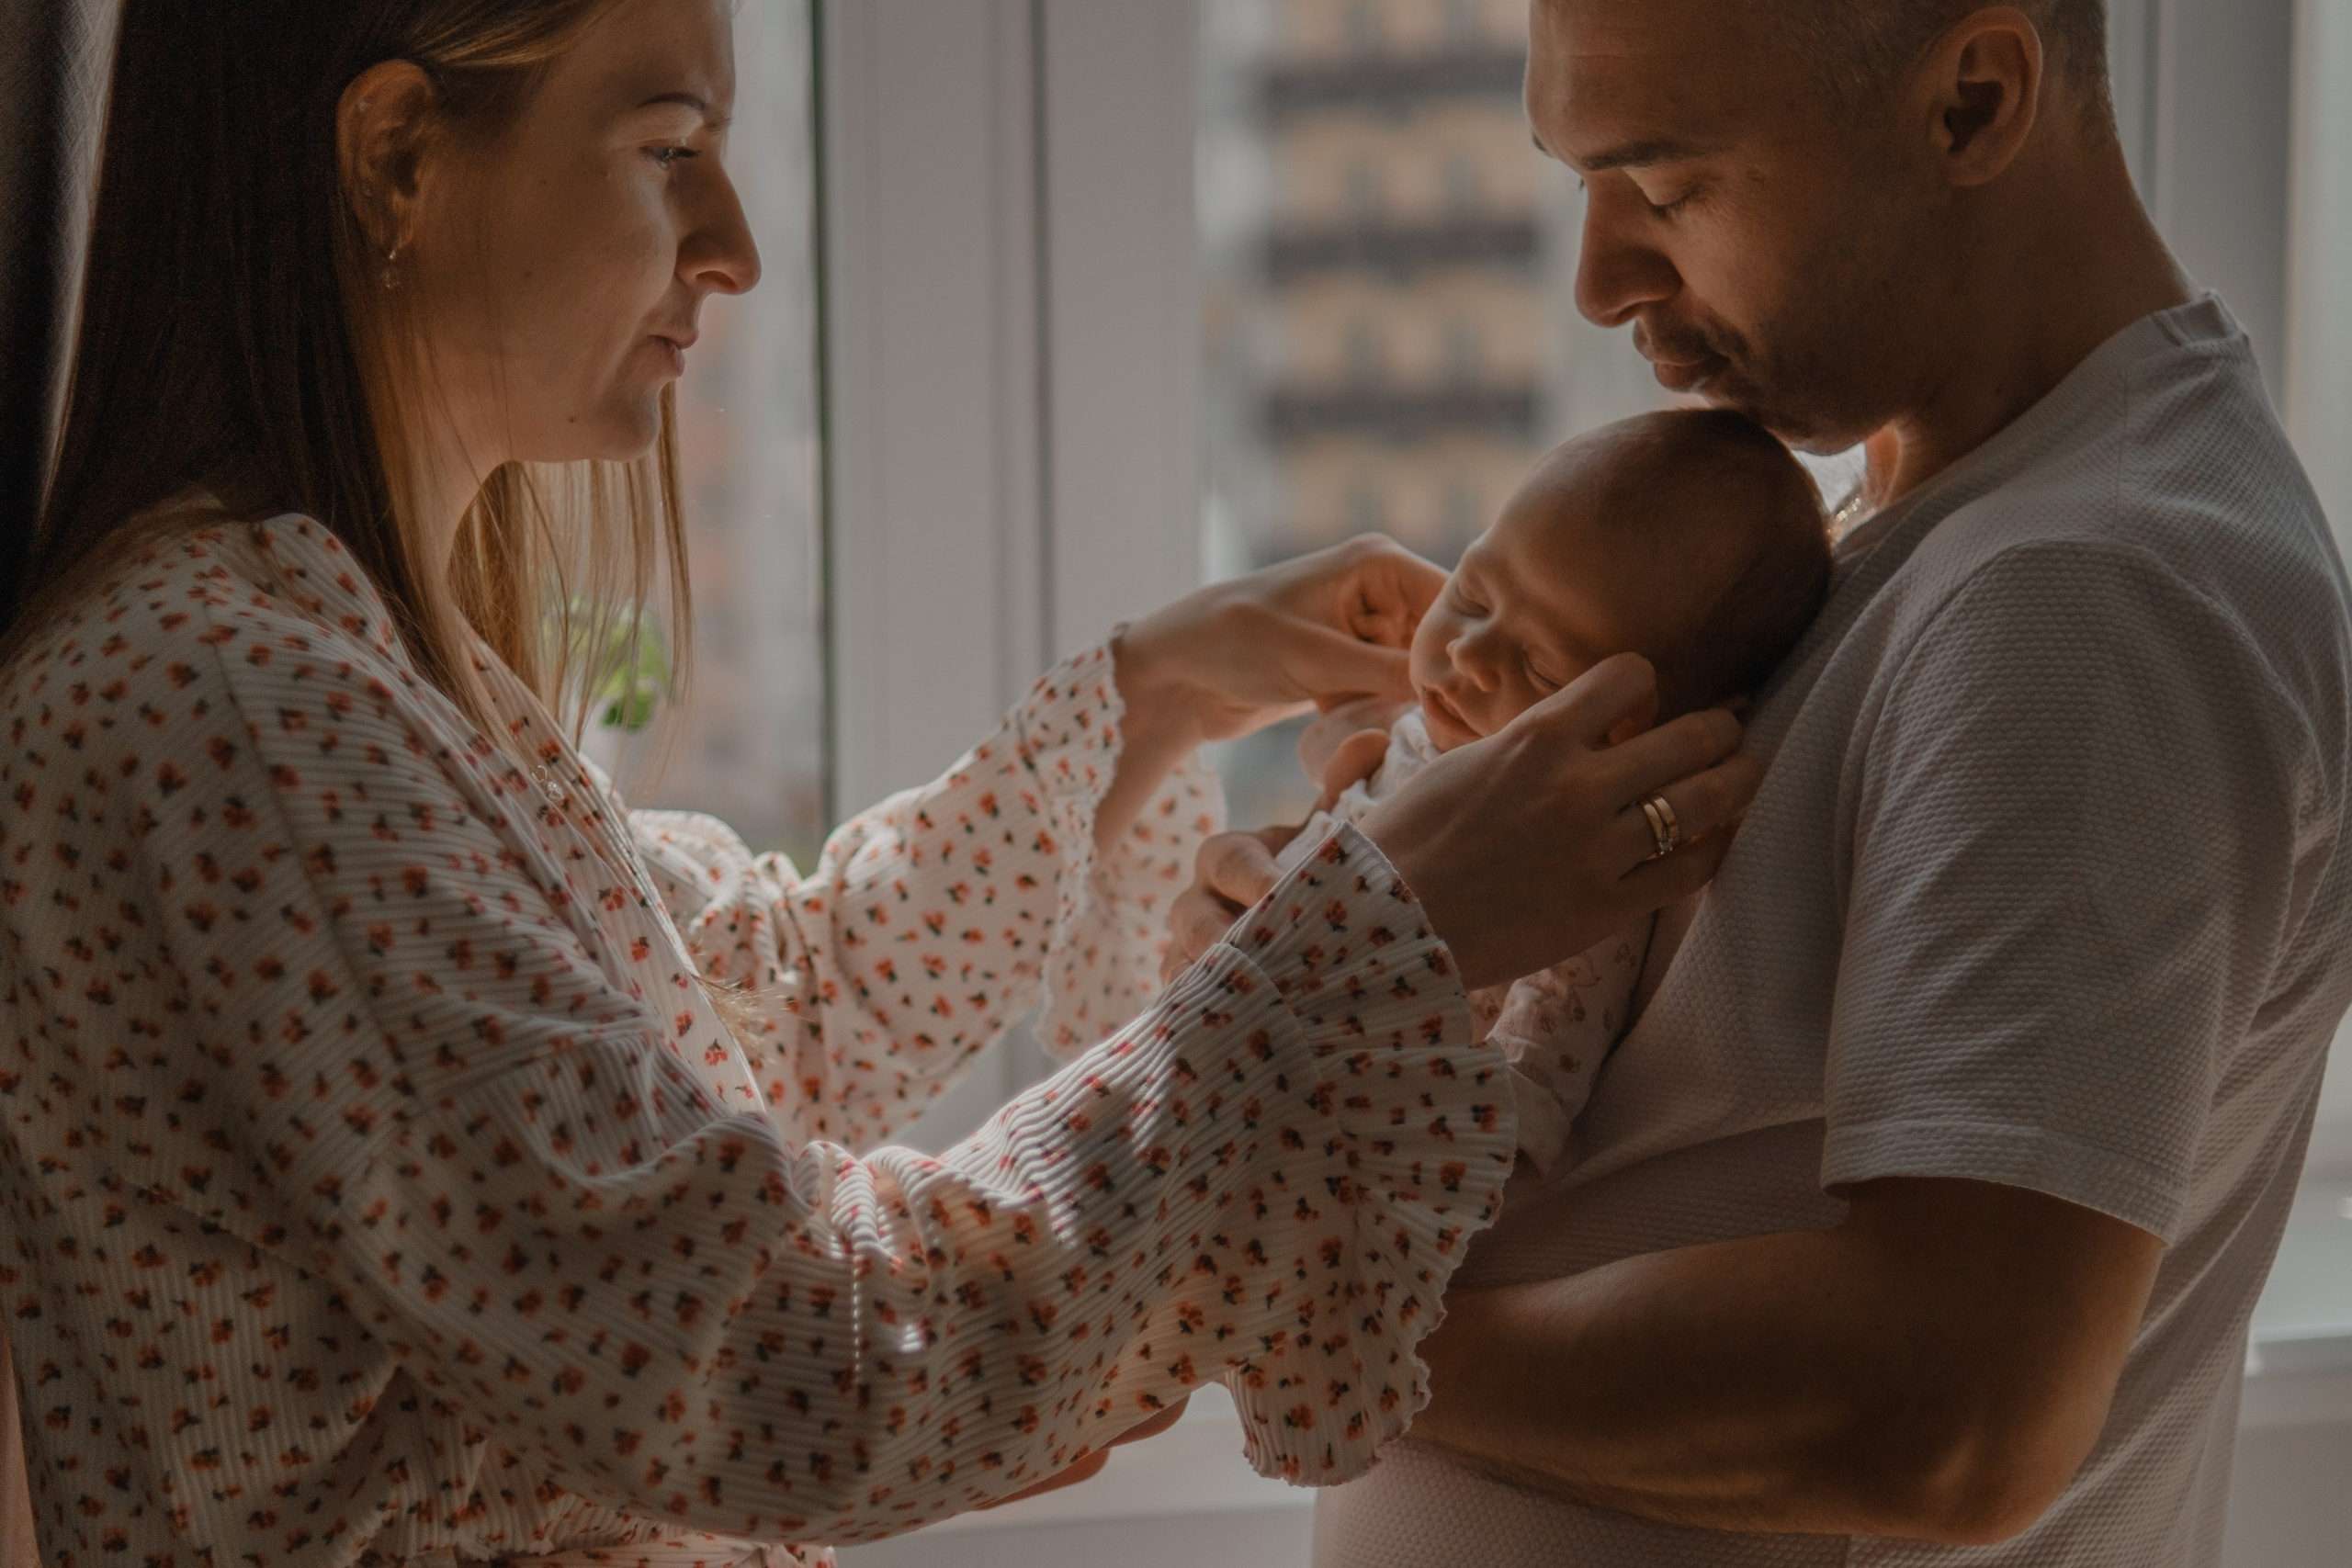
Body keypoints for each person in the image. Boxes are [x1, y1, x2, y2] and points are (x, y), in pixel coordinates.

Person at [0, 2, 1768, 1565]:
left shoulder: (351, 660)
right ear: (395, 154)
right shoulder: (231, 700)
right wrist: (1367, 942)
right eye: (668, 147)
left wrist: (1156, 692)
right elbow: (784, 1358)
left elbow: (764, 1008)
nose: (737, 244)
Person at [1168, 3, 2352, 1563]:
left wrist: (1298, 1309)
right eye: (1581, 183)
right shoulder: (1903, 524)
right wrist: (1351, 954)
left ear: (1974, 100)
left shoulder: (2085, 598)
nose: (1598, 283)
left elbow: (1942, 1415)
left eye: (1665, 191)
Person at [1272, 410, 1832, 1175]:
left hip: (1327, 1138)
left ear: (1650, 740)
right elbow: (1368, 764)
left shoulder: (1585, 878)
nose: (1466, 652)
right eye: (1470, 592)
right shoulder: (1440, 722)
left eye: (1542, 670)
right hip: (1241, 1020)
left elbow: (1529, 1084)